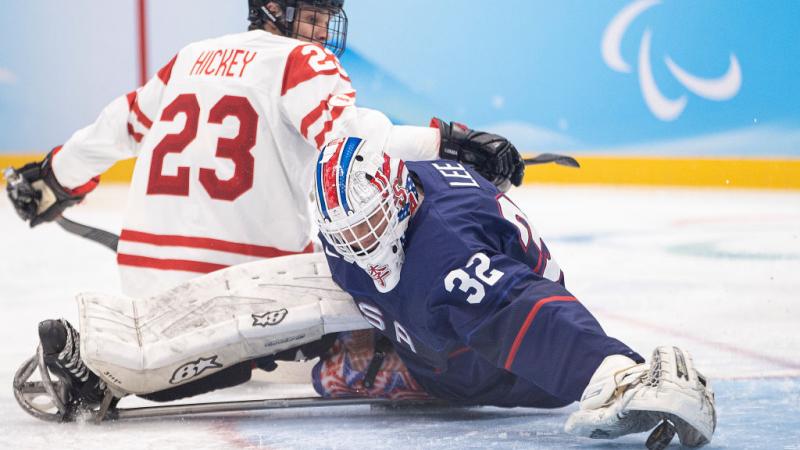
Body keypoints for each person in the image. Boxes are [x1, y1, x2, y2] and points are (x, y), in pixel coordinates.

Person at [5, 0, 524, 410]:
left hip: (142, 280)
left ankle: (113, 359)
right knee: (385, 264)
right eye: (313, 15)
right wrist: (449, 142)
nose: (321, 31)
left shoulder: (191, 57)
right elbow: (355, 138)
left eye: (325, 18)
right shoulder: (301, 61)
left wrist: (53, 180)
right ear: (273, 9)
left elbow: (114, 128)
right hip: (251, 287)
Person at [311, 136, 717, 447]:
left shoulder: (448, 259)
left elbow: (519, 309)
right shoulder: (397, 189)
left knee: (327, 376)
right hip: (444, 321)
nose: (361, 245)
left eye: (368, 224)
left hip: (484, 368)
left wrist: (611, 373)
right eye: (345, 234)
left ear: (398, 195)